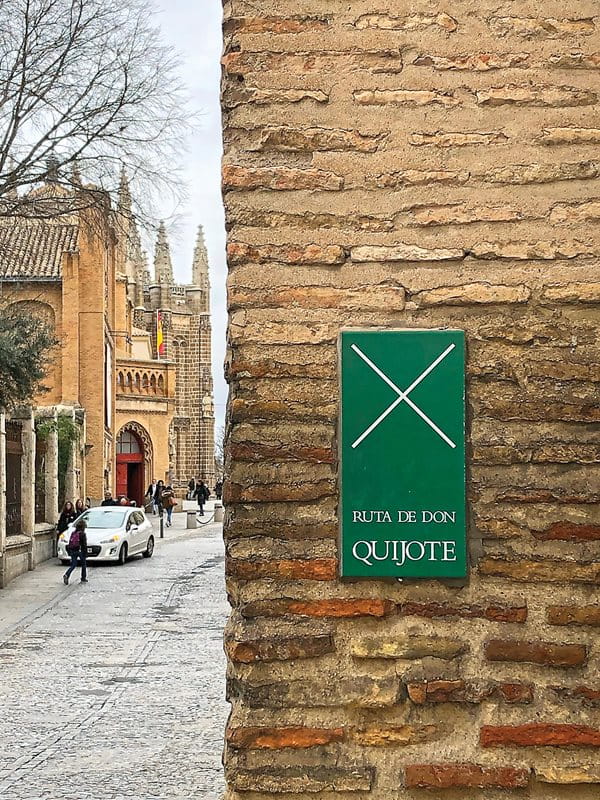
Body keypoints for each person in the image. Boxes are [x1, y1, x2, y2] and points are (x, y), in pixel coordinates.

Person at [63, 519, 88, 585]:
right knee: (83, 564)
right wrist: (85, 553)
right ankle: (83, 578)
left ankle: (67, 574)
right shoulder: (82, 534)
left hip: (73, 550)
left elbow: (70, 542)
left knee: (73, 565)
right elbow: (84, 545)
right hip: (80, 551)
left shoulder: (73, 533)